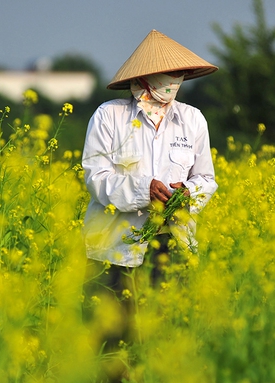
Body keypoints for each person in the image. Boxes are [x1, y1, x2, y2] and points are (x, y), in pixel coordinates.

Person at [80, 29, 218, 380]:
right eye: (166, 78)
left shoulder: (192, 119)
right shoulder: (109, 116)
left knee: (165, 342)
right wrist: (146, 190)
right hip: (115, 249)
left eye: (179, 76)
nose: (173, 84)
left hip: (172, 247)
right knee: (114, 349)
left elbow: (206, 179)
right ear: (142, 79)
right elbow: (97, 178)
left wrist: (188, 194)